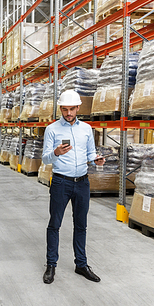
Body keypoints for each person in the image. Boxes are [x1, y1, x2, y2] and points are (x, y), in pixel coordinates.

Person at [41, 89, 105, 284]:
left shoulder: (86, 129)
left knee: (81, 225)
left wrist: (96, 161)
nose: (68, 113)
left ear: (78, 108)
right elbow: (45, 158)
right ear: (60, 108)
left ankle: (81, 264)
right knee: (55, 224)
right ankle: (51, 265)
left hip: (82, 182)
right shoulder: (52, 129)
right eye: (65, 109)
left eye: (71, 109)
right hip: (61, 182)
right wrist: (56, 152)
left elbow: (90, 154)